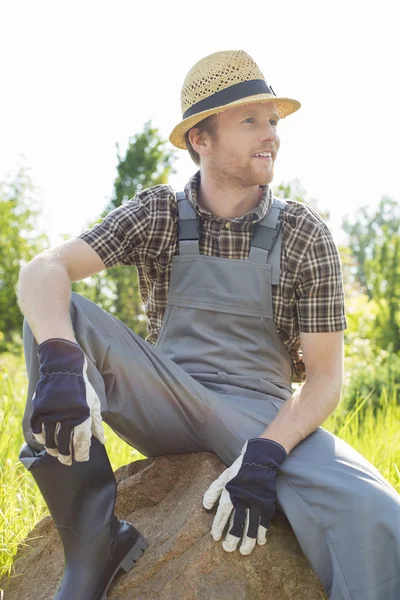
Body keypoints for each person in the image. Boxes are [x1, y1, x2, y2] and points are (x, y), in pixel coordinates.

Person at [17, 50, 400, 600]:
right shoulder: (158, 214)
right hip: (166, 396)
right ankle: (93, 547)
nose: (270, 134)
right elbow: (43, 269)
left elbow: (323, 379)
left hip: (261, 413)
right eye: (250, 121)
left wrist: (268, 454)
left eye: (273, 121)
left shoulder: (305, 234)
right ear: (201, 139)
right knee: (58, 316)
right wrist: (59, 359)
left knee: (384, 515)